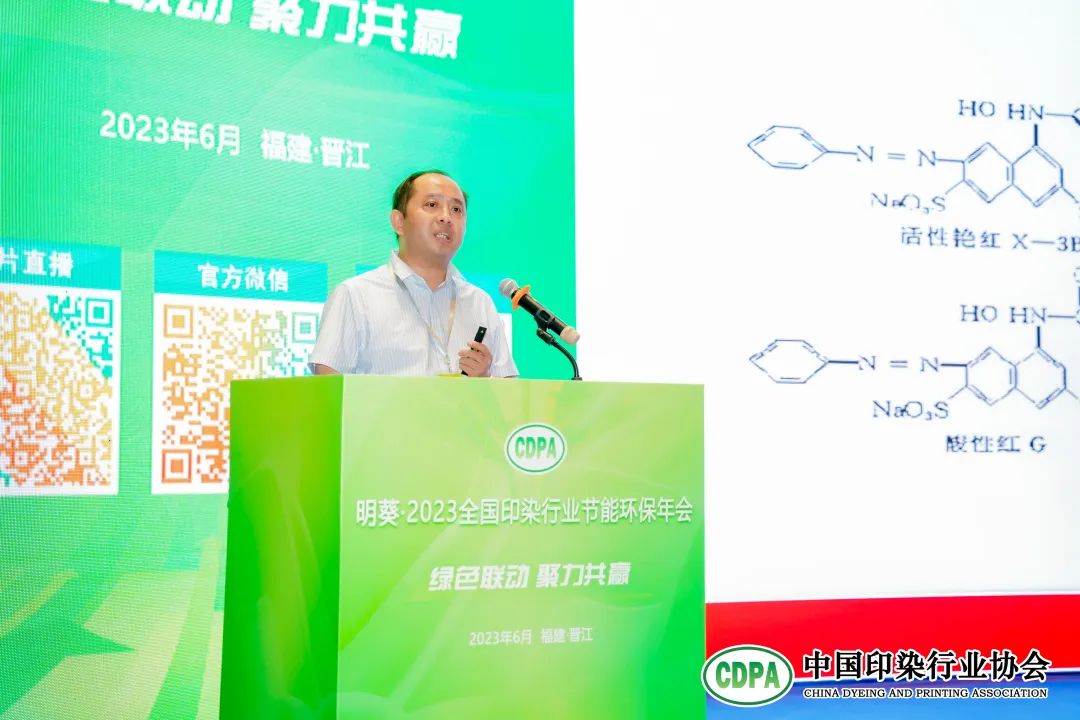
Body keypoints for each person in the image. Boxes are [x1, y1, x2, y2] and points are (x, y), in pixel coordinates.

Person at [308, 170, 517, 377]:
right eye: (432, 205)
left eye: (456, 209)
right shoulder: (355, 295)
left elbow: (509, 390)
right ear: (399, 222)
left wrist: (485, 379)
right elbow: (329, 386)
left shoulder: (480, 302)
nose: (446, 217)